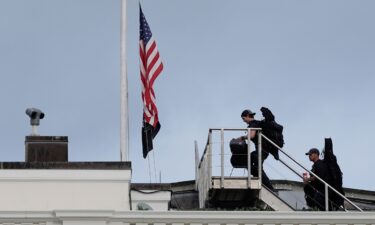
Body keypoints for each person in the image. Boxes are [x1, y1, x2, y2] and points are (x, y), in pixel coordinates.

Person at [239, 109, 274, 190]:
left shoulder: (253, 123)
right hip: (264, 149)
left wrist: (242, 137)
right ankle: (259, 179)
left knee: (253, 164)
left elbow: (251, 135)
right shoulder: (257, 123)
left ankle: (270, 189)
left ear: (247, 116)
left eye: (244, 119)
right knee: (252, 164)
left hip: (262, 150)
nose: (244, 121)